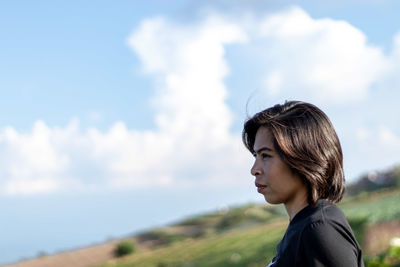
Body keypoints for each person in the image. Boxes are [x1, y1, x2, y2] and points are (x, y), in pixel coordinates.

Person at [242, 101, 364, 267]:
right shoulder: (303, 227)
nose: (254, 169)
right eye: (255, 155)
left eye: (266, 156)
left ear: (302, 157)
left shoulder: (319, 229)